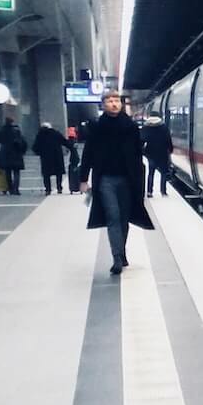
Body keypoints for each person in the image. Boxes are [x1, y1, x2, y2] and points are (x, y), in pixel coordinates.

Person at [74, 92, 154, 275]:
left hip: (128, 180)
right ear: (103, 105)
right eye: (109, 101)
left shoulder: (131, 127)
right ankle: (116, 258)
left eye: (116, 100)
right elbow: (88, 153)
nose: (114, 104)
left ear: (121, 104)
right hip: (105, 180)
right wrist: (83, 179)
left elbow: (137, 153)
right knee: (113, 216)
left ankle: (122, 251)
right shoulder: (96, 127)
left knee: (124, 218)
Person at [30, 122, 72, 194]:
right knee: (58, 173)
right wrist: (71, 147)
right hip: (57, 156)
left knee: (46, 174)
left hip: (45, 157)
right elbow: (64, 142)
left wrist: (39, 153)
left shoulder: (40, 135)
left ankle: (48, 189)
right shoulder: (56, 133)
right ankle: (59, 187)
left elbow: (35, 147)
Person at [0, 115, 28, 196]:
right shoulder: (17, 131)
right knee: (16, 172)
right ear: (12, 122)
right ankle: (16, 189)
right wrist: (23, 151)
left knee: (8, 173)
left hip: (5, 154)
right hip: (16, 154)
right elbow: (24, 142)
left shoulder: (2, 131)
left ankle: (10, 189)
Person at [142, 114, 174, 197]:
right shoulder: (163, 127)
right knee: (163, 173)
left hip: (150, 153)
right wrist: (170, 149)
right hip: (162, 152)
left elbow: (141, 139)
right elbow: (168, 139)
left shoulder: (146, 127)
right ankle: (163, 192)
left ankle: (149, 192)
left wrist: (141, 150)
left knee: (151, 173)